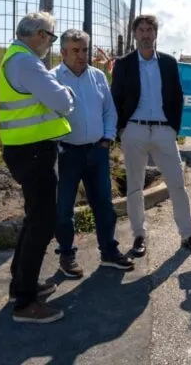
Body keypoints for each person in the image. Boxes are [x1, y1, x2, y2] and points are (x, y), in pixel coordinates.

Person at [0, 11, 74, 324]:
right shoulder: (27, 62)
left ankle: (21, 285)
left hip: (26, 150)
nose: (50, 44)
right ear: (41, 34)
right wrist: (65, 91)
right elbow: (63, 101)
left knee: (34, 220)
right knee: (42, 224)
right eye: (52, 37)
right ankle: (25, 303)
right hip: (32, 153)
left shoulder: (15, 57)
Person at [111, 14, 191, 257]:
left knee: (177, 184)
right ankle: (139, 235)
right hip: (135, 130)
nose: (145, 34)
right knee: (134, 187)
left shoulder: (168, 62)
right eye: (141, 30)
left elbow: (177, 96)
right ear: (134, 34)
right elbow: (116, 98)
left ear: (155, 34)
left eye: (149, 30)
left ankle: (187, 234)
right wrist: (122, 130)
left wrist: (173, 128)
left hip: (164, 131)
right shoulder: (124, 64)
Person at [50, 29, 134, 278]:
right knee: (64, 207)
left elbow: (109, 110)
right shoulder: (52, 79)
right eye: (75, 50)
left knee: (104, 205)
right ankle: (67, 254)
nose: (81, 55)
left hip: (97, 151)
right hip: (66, 153)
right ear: (63, 52)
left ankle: (108, 251)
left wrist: (107, 138)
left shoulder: (97, 76)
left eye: (85, 50)